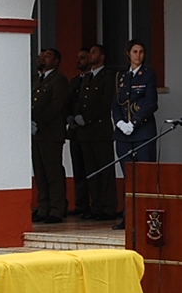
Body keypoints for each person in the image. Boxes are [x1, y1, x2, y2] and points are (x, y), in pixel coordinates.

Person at [112, 39, 159, 231]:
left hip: (142, 132)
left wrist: (134, 122)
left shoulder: (148, 75)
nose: (138, 55)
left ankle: (145, 216)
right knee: (128, 176)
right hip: (123, 134)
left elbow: (151, 103)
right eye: (134, 52)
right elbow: (116, 103)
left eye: (141, 52)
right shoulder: (121, 77)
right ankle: (128, 216)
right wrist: (120, 123)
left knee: (144, 176)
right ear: (128, 54)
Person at [72, 44, 117, 221]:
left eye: (94, 52)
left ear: (102, 56)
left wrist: (87, 118)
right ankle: (96, 206)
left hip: (100, 131)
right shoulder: (87, 77)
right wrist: (75, 116)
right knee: (91, 172)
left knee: (105, 170)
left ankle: (108, 207)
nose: (90, 55)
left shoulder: (108, 76)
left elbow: (106, 102)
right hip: (85, 133)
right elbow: (80, 100)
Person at [31, 48, 69, 224]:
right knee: (40, 173)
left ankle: (56, 209)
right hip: (36, 134)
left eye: (47, 56)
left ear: (56, 61)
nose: (42, 58)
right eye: (41, 55)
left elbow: (56, 106)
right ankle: (43, 207)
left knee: (53, 172)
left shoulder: (58, 80)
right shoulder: (36, 80)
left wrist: (38, 122)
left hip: (51, 133)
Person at [65, 47, 92, 217]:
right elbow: (68, 101)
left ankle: (96, 205)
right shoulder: (75, 81)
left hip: (90, 130)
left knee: (92, 169)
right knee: (78, 169)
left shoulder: (94, 80)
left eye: (83, 57)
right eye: (78, 57)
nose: (79, 61)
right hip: (75, 131)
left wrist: (85, 118)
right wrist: (69, 117)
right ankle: (81, 204)